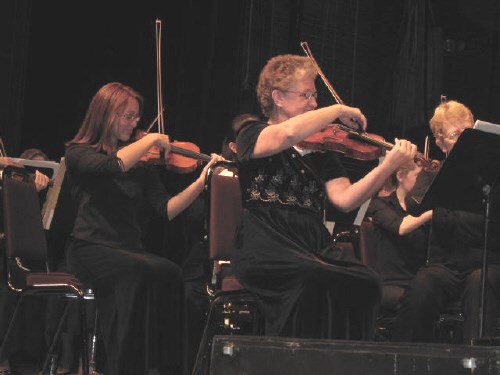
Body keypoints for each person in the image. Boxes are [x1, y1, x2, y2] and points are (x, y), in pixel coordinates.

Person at [232, 54, 417, 340]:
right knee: (313, 277)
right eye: (306, 95)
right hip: (267, 241)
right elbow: (286, 134)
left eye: (315, 95)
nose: (314, 103)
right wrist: (336, 110)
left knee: (365, 280)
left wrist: (388, 167)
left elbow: (345, 199)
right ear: (278, 97)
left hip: (312, 241)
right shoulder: (252, 133)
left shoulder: (321, 150)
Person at [64, 82, 219, 375]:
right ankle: (123, 367)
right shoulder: (79, 154)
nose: (134, 123)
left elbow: (166, 210)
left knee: (170, 272)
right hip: (90, 248)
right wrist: (149, 141)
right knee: (140, 272)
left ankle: (164, 367)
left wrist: (202, 182)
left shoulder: (142, 165)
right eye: (127, 116)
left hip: (128, 251)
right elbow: (114, 167)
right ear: (105, 114)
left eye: (136, 117)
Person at [392, 100, 500, 343]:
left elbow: (491, 226)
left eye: (468, 132)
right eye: (456, 135)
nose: (465, 140)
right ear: (440, 143)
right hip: (446, 264)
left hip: (487, 263)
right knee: (422, 288)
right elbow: (414, 206)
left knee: (481, 285)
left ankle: (478, 364)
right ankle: (407, 362)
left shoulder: (494, 174)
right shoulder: (434, 173)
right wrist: (429, 177)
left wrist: (442, 216)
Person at [366, 161, 432, 335]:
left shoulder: (422, 209)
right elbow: (401, 227)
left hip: (419, 282)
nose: (423, 182)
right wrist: (432, 213)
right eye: (418, 176)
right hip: (390, 283)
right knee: (418, 300)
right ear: (401, 176)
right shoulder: (380, 205)